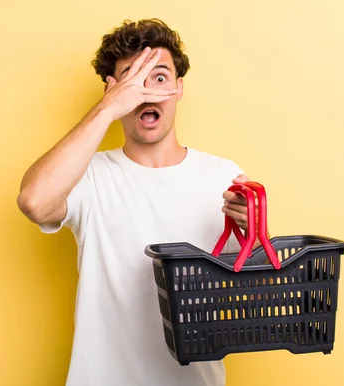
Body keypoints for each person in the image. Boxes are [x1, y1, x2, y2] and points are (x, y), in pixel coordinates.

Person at [17, 18, 256, 386]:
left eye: (159, 77)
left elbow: (251, 300)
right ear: (113, 92)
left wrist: (253, 235)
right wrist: (106, 109)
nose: (146, 90)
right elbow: (35, 201)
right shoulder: (88, 175)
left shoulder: (223, 176)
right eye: (132, 79)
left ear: (178, 89)